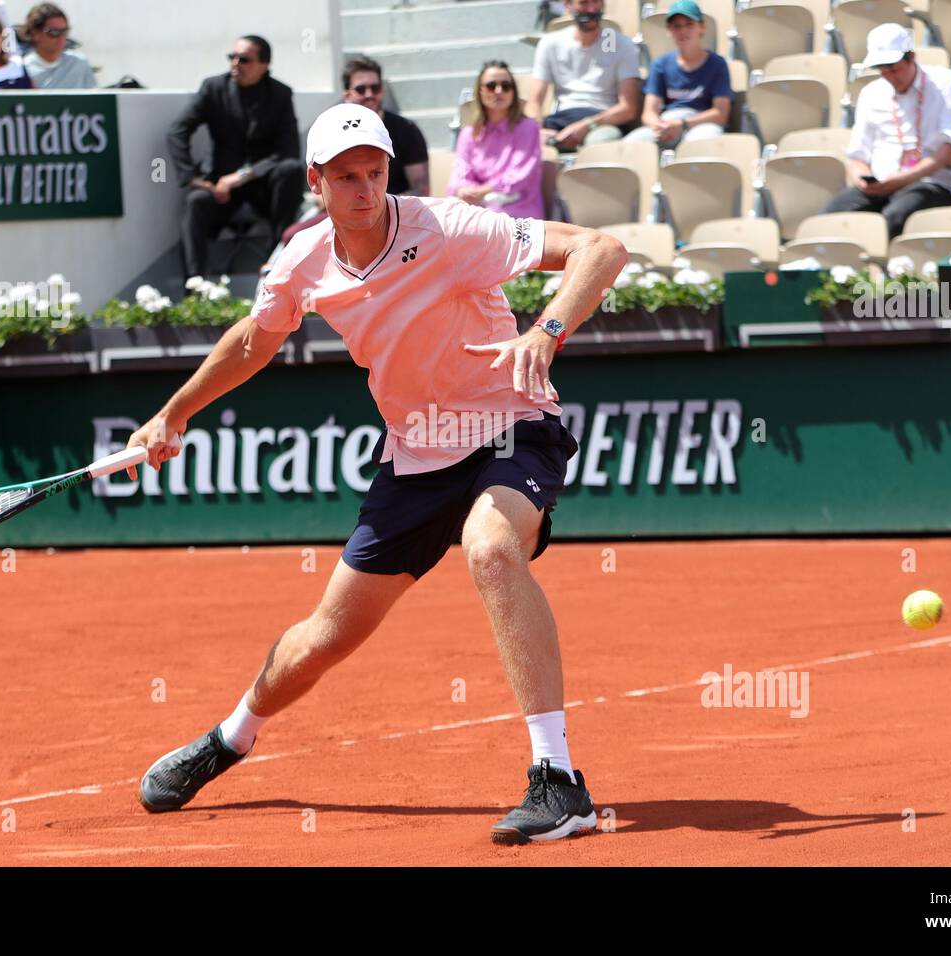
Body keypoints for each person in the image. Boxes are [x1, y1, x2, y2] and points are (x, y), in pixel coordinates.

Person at [131, 102, 629, 845]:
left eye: (375, 172)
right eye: (347, 177)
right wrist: (175, 413)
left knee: (491, 548)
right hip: (417, 454)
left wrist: (546, 331)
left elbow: (602, 247)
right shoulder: (302, 259)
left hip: (510, 425)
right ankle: (228, 738)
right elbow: (253, 343)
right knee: (327, 635)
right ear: (316, 184)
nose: (366, 189)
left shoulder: (449, 228)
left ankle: (559, 783)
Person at [167, 34, 306, 280]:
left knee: (291, 170)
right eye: (232, 57)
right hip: (222, 188)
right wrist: (191, 178)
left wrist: (241, 176)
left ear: (264, 65)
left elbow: (288, 151)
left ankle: (278, 269)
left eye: (244, 59)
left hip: (264, 186)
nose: (235, 64)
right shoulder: (213, 88)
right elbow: (177, 131)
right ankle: (195, 290)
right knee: (195, 202)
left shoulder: (280, 94)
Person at [823, 24, 951, 238]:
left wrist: (906, 177)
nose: (889, 75)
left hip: (929, 183)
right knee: (832, 217)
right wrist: (862, 179)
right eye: (882, 69)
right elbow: (857, 157)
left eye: (893, 67)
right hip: (881, 185)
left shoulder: (945, 83)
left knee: (895, 217)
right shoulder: (871, 93)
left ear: (912, 57)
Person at [280, 56, 431, 244]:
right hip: (343, 213)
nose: (369, 94)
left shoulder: (407, 130)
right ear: (347, 94)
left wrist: (380, 204)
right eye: (361, 89)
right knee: (291, 238)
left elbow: (421, 188)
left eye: (375, 88)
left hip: (395, 216)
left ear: (382, 91)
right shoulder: (329, 128)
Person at [528, 0, 641, 151]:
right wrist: (535, 131)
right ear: (568, 5)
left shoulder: (621, 44)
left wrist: (587, 125)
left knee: (600, 143)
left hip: (603, 121)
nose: (592, 9)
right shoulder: (550, 43)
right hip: (561, 119)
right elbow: (534, 101)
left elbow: (628, 108)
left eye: (596, 2)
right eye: (583, 3)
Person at [625, 0, 731, 148]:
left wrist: (683, 124)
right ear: (669, 31)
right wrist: (660, 125)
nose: (683, 31)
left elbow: (721, 113)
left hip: (702, 124)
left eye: (689, 24)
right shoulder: (660, 64)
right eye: (677, 26)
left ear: (702, 27)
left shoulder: (717, 64)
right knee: (632, 144)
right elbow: (649, 112)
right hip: (668, 121)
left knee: (699, 144)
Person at [448, 60, 545, 219]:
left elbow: (519, 178)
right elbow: (460, 172)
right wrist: (463, 190)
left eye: (506, 86)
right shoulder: (469, 133)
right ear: (480, 91)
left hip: (517, 211)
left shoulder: (528, 128)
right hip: (478, 207)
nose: (499, 91)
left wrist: (481, 191)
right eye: (491, 86)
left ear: (513, 92)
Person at [21, 2, 95, 89]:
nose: (61, 37)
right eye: (54, 32)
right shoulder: (23, 71)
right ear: (35, 34)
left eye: (64, 31)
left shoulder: (79, 63)